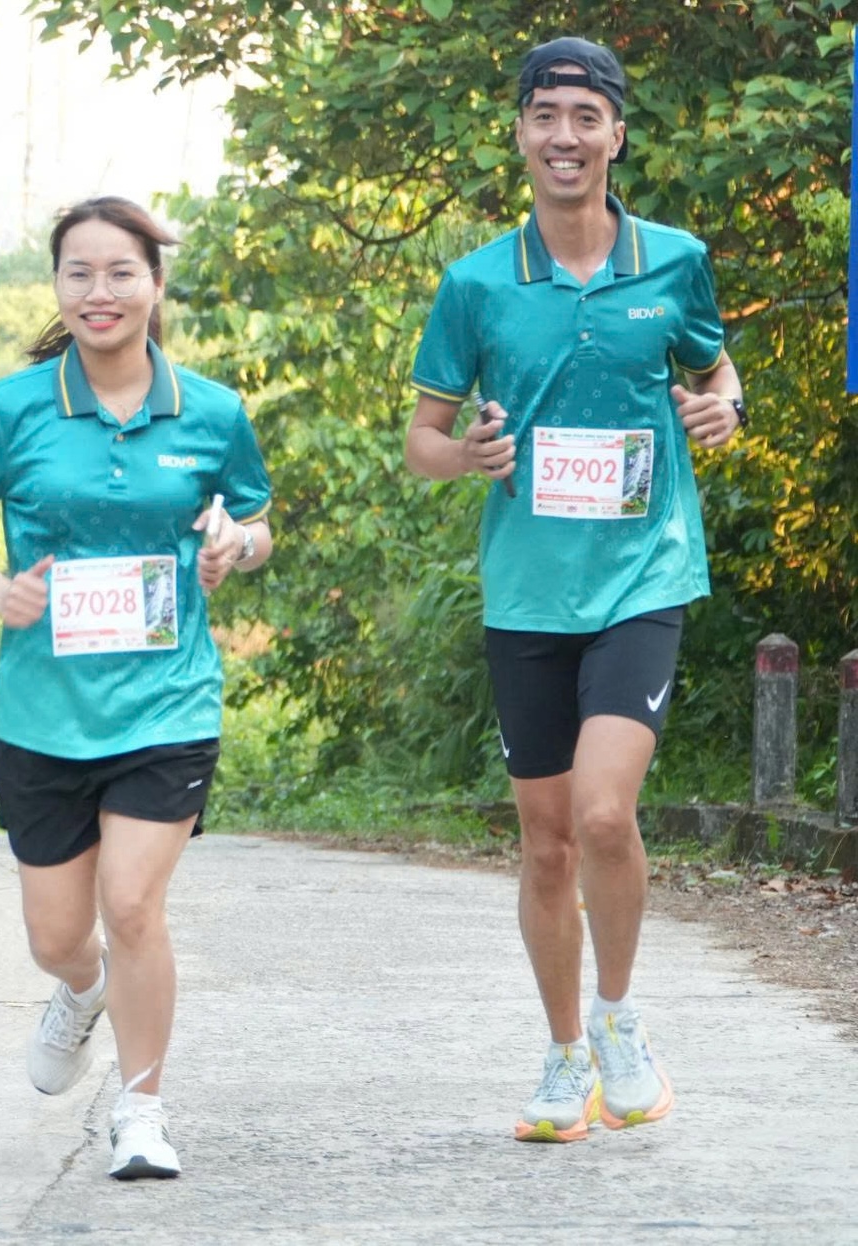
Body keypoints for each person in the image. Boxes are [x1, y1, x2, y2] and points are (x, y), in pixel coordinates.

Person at [402, 37, 743, 1145]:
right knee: (545, 839)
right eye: (543, 115)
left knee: (603, 810)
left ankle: (619, 1019)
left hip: (643, 572)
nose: (563, 136)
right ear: (519, 133)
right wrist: (470, 460)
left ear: (615, 134)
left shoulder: (672, 260)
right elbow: (422, 441)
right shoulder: (476, 283)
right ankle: (560, 1059)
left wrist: (720, 406)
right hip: (528, 592)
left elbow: (710, 368)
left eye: (583, 117)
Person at [0, 196, 273, 1179]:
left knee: (131, 907)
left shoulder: (208, 410)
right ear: (56, 288)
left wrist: (231, 546)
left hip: (167, 699)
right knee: (59, 936)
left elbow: (253, 521)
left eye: (120, 271)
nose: (99, 291)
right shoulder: (11, 408)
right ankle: (77, 993)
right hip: (42, 709)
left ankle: (141, 1109)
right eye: (77, 273)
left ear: (155, 284)